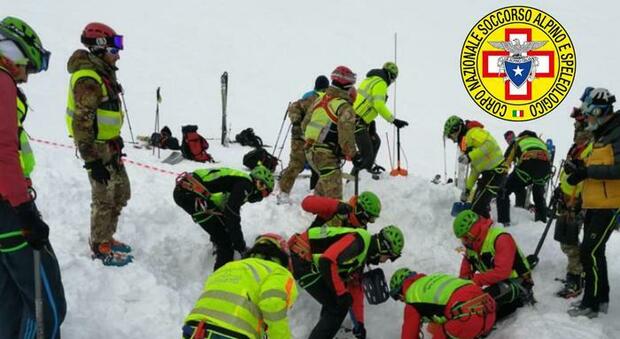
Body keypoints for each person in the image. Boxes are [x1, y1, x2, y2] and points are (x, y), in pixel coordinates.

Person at [0, 16, 67, 338]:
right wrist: (25, 210)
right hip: (7, 208)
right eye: (27, 67)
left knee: (7, 295)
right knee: (47, 300)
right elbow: (3, 149)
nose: (25, 78)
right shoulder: (1, 80)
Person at [65, 22, 132, 266]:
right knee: (104, 196)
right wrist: (92, 161)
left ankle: (108, 236)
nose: (118, 53)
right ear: (100, 46)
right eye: (115, 47)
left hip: (110, 145)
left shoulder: (103, 73)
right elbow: (82, 123)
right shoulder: (88, 78)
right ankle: (100, 244)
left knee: (122, 192)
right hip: (97, 149)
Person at [288, 225, 404, 339]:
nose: (384, 261)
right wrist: (342, 293)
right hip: (301, 259)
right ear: (383, 248)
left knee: (337, 301)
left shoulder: (362, 256)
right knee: (337, 306)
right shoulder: (359, 242)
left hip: (309, 263)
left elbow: (355, 287)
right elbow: (326, 262)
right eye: (388, 257)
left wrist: (359, 323)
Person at [565, 87, 620, 318]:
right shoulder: (601, 134)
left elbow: (617, 169)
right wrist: (579, 170)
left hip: (610, 205)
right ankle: (602, 298)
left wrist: (586, 172)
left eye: (588, 113)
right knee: (595, 253)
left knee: (589, 251)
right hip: (595, 204)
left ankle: (591, 303)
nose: (586, 118)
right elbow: (596, 166)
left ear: (599, 111)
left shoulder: (617, 132)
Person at [182, 233, 298, 339]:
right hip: (232, 333)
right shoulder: (278, 272)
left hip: (194, 329)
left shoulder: (228, 267)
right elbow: (272, 305)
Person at [173, 165, 274, 270]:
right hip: (190, 194)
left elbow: (225, 210)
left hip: (187, 190)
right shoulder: (246, 185)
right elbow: (232, 214)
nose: (261, 194)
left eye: (266, 193)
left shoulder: (241, 180)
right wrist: (241, 247)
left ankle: (218, 245)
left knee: (223, 229)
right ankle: (219, 280)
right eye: (261, 186)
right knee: (226, 245)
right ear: (255, 180)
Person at [452, 209, 533, 321]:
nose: (463, 242)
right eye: (462, 238)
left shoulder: (501, 238)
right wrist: (462, 288)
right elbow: (465, 273)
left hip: (518, 282)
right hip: (498, 282)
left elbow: (502, 272)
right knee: (467, 300)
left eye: (465, 237)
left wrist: (476, 280)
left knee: (481, 303)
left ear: (473, 230)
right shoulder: (472, 245)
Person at [389, 268, 496, 339]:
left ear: (400, 292)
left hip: (466, 321)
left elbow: (408, 336)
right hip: (489, 311)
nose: (402, 301)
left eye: (399, 298)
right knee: (434, 327)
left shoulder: (412, 298)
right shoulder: (434, 279)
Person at [304, 65, 361, 200]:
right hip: (326, 155)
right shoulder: (344, 107)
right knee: (335, 202)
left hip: (309, 151)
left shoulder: (319, 100)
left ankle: (317, 210)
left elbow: (304, 124)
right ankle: (330, 218)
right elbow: (346, 136)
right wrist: (354, 155)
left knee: (324, 183)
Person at [553, 107, 590, 298]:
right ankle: (578, 271)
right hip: (569, 198)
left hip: (580, 199)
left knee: (569, 239)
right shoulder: (577, 147)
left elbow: (587, 173)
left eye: (579, 125)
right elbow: (569, 173)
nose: (576, 129)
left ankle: (576, 276)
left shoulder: (592, 146)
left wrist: (578, 200)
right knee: (566, 237)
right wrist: (560, 188)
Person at [277, 75, 329, 205]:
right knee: (297, 164)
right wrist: (296, 123)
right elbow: (294, 107)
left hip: (315, 138)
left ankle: (314, 193)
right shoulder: (311, 98)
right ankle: (283, 192)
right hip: (301, 137)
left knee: (317, 166)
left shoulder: (325, 99)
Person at [443, 116, 505, 218]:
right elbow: (475, 169)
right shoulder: (465, 142)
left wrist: (469, 156)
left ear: (456, 129)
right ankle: (481, 228)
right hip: (488, 174)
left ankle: (486, 230)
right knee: (475, 205)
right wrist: (467, 190)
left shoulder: (473, 133)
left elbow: (490, 145)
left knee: (478, 207)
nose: (451, 139)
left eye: (450, 135)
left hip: (496, 172)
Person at [352, 62, 408, 175]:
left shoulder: (369, 80)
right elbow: (378, 105)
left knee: (375, 142)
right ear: (389, 75)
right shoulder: (381, 83)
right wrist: (394, 120)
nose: (391, 82)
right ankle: (357, 182)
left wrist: (370, 120)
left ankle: (364, 173)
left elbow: (366, 103)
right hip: (357, 122)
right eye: (392, 79)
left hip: (356, 119)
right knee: (367, 155)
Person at [497, 130, 552, 225]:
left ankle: (504, 222)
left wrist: (500, 176)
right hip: (545, 169)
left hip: (527, 166)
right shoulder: (539, 141)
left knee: (503, 191)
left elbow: (506, 162)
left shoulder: (517, 141)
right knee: (538, 196)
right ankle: (541, 223)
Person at [301, 191, 381, 229]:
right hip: (307, 250)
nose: (369, 221)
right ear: (361, 211)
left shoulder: (361, 229)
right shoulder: (337, 208)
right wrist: (335, 206)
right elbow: (306, 203)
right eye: (370, 218)